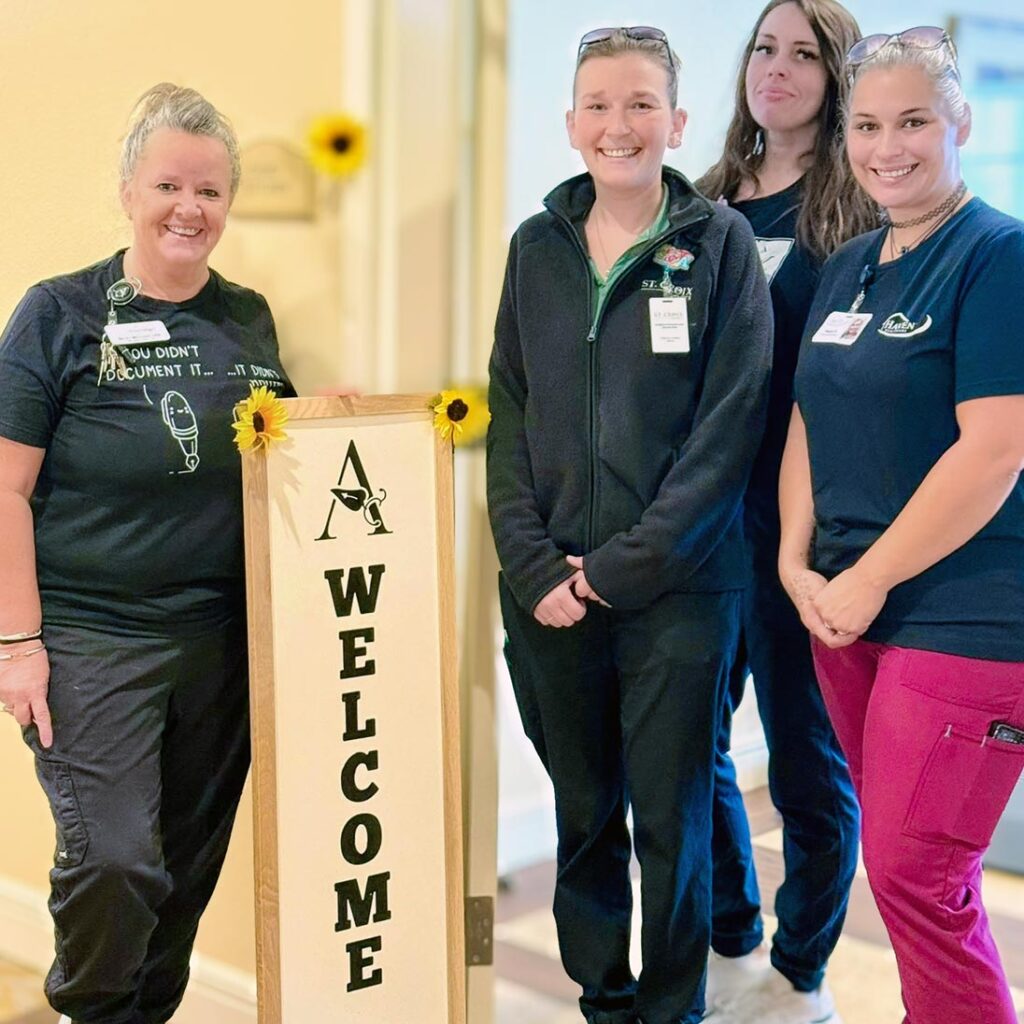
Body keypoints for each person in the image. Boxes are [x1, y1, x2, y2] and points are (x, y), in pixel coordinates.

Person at [487, 26, 772, 1024]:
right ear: (571, 125)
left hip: (680, 595)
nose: (620, 123)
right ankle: (601, 1002)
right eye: (600, 104)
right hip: (551, 597)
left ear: (677, 121)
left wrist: (618, 568)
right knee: (583, 817)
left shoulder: (720, 247)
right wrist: (534, 570)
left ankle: (670, 1010)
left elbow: (726, 431)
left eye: (641, 103)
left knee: (673, 822)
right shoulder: (535, 250)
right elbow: (507, 415)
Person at [0, 84, 291, 1024]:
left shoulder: (248, 318)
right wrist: (16, 644)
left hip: (220, 644)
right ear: (129, 189)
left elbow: (274, 455)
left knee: (184, 864)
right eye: (168, 184)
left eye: (209, 191)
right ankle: (89, 1010)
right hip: (90, 641)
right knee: (116, 857)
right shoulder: (58, 315)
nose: (188, 208)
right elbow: (3, 489)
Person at [779, 27, 1024, 1024]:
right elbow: (804, 415)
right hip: (842, 607)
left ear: (958, 122)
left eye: (914, 121)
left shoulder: (999, 256)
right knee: (906, 872)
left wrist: (868, 576)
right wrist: (796, 562)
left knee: (919, 873)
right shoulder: (848, 266)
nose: (889, 147)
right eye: (868, 125)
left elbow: (995, 448)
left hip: (964, 612)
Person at [694, 4, 875, 1022]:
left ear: (834, 76)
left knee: (807, 760)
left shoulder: (852, 210)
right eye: (765, 47)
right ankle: (730, 934)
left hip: (801, 525)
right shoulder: (704, 201)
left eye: (804, 54)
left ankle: (801, 970)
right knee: (688, 741)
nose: (777, 68)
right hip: (696, 518)